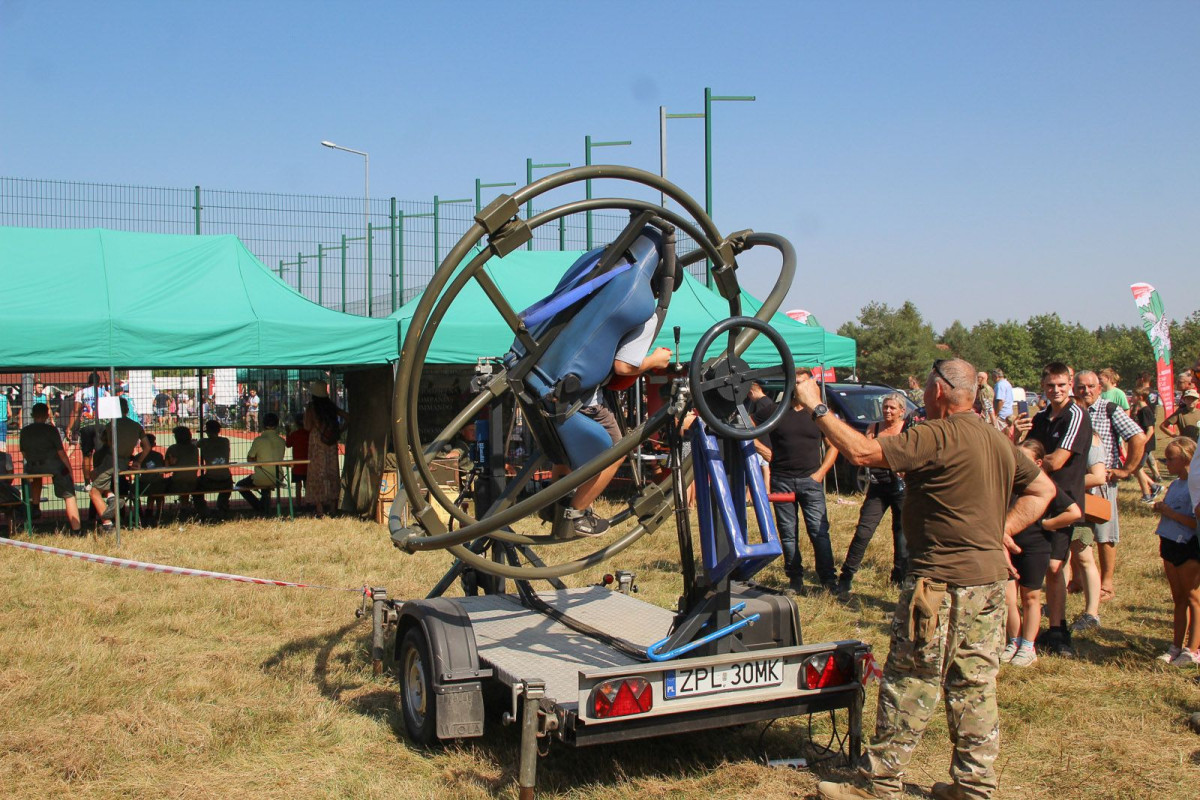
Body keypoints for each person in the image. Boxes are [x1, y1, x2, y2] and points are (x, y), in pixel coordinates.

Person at [808, 358, 1054, 800]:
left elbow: (863, 453)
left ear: (939, 391)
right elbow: (1043, 491)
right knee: (975, 686)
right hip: (990, 587)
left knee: (909, 681)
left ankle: (877, 784)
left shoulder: (936, 434)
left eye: (924, 386)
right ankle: (974, 787)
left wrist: (817, 407)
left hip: (938, 586)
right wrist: (1001, 531)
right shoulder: (995, 440)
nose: (920, 394)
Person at [1022, 362, 1092, 657]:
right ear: (1044, 386)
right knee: (1035, 567)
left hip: (1064, 502)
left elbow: (1056, 460)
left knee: (1055, 566)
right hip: (1036, 498)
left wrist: (1028, 463)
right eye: (1051, 385)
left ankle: (1058, 629)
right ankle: (1029, 629)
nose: (1056, 390)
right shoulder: (1040, 417)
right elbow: (1026, 452)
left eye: (1061, 385)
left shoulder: (1076, 415)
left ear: (1070, 384)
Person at [1002, 438, 1081, 667]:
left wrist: (1047, 524)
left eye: (1023, 461)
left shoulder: (1045, 485)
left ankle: (1028, 646)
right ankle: (1013, 641)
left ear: (1037, 463)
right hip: (1007, 547)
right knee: (1008, 598)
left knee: (1031, 597)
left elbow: (1074, 512)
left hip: (1036, 548)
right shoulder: (1008, 483)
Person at [762, 368, 840, 595]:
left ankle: (828, 580)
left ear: (812, 384)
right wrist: (763, 450)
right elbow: (745, 427)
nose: (799, 387)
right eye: (795, 383)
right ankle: (795, 580)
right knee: (788, 533)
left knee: (819, 532)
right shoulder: (776, 411)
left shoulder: (819, 413)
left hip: (811, 481)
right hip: (782, 481)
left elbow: (834, 443)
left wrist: (821, 473)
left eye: (803, 382)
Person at [1074, 369, 1148, 605]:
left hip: (1103, 482)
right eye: (1081, 387)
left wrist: (1126, 470)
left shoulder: (1109, 409)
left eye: (1091, 386)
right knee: (1075, 530)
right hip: (1076, 482)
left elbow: (1137, 437)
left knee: (1105, 534)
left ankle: (1106, 584)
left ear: (1099, 387)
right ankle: (1077, 580)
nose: (1086, 391)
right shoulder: (1073, 411)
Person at [836, 392, 909, 598]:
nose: (887, 411)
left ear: (902, 412)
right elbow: (865, 455)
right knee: (863, 532)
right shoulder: (874, 428)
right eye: (885, 407)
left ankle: (899, 577)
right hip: (877, 487)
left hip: (901, 488)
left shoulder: (906, 429)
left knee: (901, 535)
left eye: (892, 408)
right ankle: (846, 576)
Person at [1150, 437, 1200, 665]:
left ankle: (1193, 648)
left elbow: (1193, 522)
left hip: (1187, 546)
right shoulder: (1177, 483)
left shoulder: (1194, 486)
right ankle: (1175, 645)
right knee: (1178, 598)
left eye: (1171, 459)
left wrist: (1169, 512)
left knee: (1193, 598)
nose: (1166, 463)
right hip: (1169, 543)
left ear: (1186, 459)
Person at [18, 403, 83, 534]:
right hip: (53, 465)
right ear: (47, 415)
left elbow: (24, 453)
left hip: (33, 465)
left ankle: (35, 506)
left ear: (32, 415)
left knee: (35, 476)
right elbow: (62, 453)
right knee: (69, 495)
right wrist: (69, 470)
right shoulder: (51, 430)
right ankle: (77, 530)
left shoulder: (25, 431)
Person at [1067, 433, 1107, 633]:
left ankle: (1092, 613)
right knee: (1060, 558)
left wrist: (1063, 483)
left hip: (1079, 506)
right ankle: (1057, 605)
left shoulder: (1090, 438)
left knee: (1084, 557)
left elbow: (1099, 476)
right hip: (1061, 506)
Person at [89, 398, 149, 532]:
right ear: (127, 410)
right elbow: (147, 447)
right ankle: (111, 498)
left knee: (93, 492)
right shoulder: (137, 426)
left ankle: (107, 524)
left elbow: (109, 443)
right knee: (96, 477)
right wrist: (138, 461)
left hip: (111, 460)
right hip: (124, 461)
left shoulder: (112, 425)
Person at [305, 382, 346, 517]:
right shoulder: (331, 406)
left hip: (317, 441)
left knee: (317, 473)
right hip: (331, 441)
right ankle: (333, 508)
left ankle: (320, 509)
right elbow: (348, 417)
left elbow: (307, 426)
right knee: (332, 472)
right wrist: (339, 431)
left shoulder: (311, 407)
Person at [237, 412, 285, 514]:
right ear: (277, 425)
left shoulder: (259, 440)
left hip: (261, 476)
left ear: (263, 425)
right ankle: (263, 508)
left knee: (240, 485)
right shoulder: (281, 441)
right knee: (266, 487)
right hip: (278, 476)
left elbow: (250, 458)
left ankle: (259, 507)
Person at [1130, 389, 1164, 503]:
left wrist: (1143, 442)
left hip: (1145, 444)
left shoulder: (1145, 411)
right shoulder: (1141, 410)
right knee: (1136, 468)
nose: (1132, 397)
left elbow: (1150, 429)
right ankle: (1154, 487)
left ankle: (1147, 495)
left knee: (1137, 468)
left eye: (1134, 395)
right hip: (1144, 443)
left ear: (1140, 397)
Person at [165, 426, 203, 516]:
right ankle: (186, 508)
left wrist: (172, 463)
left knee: (163, 483)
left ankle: (158, 511)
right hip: (193, 482)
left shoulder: (172, 448)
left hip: (177, 483)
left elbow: (166, 470)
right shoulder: (194, 448)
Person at [198, 419, 233, 514]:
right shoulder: (225, 441)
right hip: (226, 480)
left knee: (195, 486)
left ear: (207, 431)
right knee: (228, 482)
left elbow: (196, 444)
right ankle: (222, 505)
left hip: (210, 480)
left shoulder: (203, 442)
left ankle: (202, 509)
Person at [285, 412, 309, 507]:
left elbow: (288, 444)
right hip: (308, 464)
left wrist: (288, 432)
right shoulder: (309, 433)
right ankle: (308, 503)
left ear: (295, 423)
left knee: (298, 487)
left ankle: (298, 504)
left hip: (297, 465)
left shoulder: (294, 434)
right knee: (307, 486)